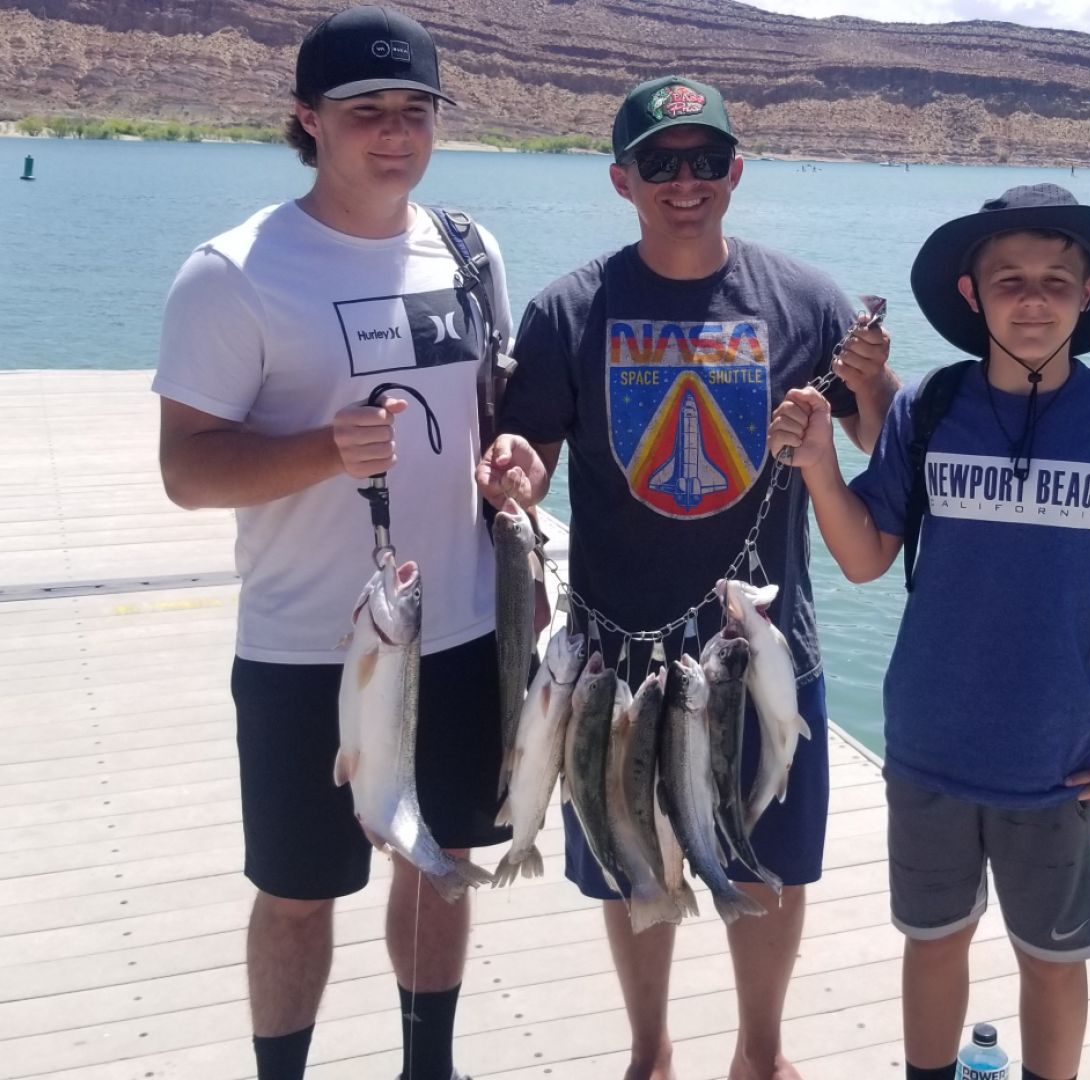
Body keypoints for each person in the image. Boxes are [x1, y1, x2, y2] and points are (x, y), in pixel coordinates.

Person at [478, 76, 898, 1080]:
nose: (684, 180)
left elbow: (880, 442)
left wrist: (875, 380)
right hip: (614, 658)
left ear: (735, 171)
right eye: (658, 163)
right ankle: (650, 1052)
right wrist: (516, 474)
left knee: (771, 862)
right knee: (633, 854)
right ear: (621, 179)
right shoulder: (568, 309)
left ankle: (762, 1052)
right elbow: (531, 459)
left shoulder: (807, 301)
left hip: (758, 648)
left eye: (705, 159)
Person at [769, 184, 1090, 1080]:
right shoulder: (930, 410)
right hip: (928, 744)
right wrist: (819, 465)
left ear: (1089, 294)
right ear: (972, 294)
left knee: (1053, 959)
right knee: (933, 940)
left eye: (1055, 280)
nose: (1032, 300)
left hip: (1059, 760)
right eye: (1009, 280)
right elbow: (867, 556)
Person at [153, 8, 513, 1079]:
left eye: (415, 110)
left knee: (439, 863)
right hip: (310, 648)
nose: (395, 134)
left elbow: (488, 414)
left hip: (460, 630)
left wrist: (513, 461)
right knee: (299, 890)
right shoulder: (234, 272)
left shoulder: (469, 249)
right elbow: (187, 471)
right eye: (366, 113)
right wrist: (322, 450)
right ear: (308, 120)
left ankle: (428, 1066)